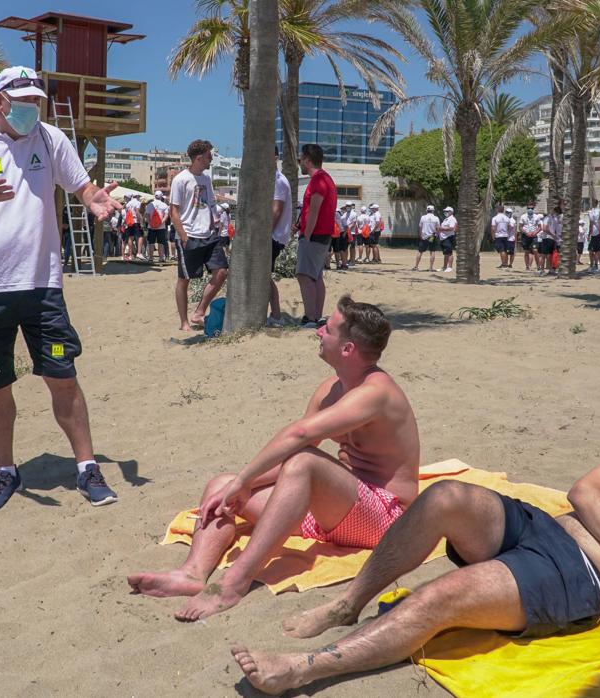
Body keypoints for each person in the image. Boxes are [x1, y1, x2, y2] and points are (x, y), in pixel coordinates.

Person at [233, 393, 600, 695]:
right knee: (444, 496)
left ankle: (303, 669)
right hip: (543, 527)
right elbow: (583, 494)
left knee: (441, 597)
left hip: (577, 582)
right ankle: (350, 603)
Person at [128, 296, 420, 621]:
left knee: (302, 462)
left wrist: (246, 480)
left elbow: (299, 438)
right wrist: (237, 486)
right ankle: (192, 574)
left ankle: (234, 583)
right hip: (334, 515)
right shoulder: (330, 389)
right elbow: (292, 454)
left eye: (328, 328)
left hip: (385, 520)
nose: (318, 332)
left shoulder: (375, 393)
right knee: (220, 485)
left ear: (348, 349)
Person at [0, 66, 123, 513]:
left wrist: (93, 198)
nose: (31, 108)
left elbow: (82, 185)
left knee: (63, 377)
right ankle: (5, 472)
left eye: (36, 100)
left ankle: (87, 467)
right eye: (23, 101)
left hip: (42, 285)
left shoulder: (51, 138)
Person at [169, 139, 226, 331]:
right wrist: (183, 236)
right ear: (199, 158)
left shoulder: (206, 179)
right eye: (209, 156)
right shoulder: (180, 179)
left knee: (222, 272)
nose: (211, 160)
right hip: (189, 235)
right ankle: (184, 322)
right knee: (184, 279)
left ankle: (200, 311)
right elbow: (174, 211)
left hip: (209, 234)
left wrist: (215, 224)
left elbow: (210, 204)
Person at [295, 144, 338, 329]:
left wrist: (307, 234)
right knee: (315, 276)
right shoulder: (325, 178)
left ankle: (311, 317)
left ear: (308, 159)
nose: (299, 164)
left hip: (315, 235)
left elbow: (314, 211)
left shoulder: (319, 180)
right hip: (322, 234)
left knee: (305, 276)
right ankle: (316, 316)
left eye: (300, 159)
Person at [268, 148, 292, 327]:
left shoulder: (278, 181)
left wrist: (265, 234)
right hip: (273, 235)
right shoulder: (271, 179)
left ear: (276, 156)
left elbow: (276, 210)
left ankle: (276, 315)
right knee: (264, 276)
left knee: (264, 277)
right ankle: (275, 315)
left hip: (273, 236)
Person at [413, 205, 440, 272]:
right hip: (432, 237)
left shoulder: (423, 217)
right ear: (433, 210)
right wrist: (437, 234)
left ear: (427, 210)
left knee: (420, 251)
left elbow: (420, 227)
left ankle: (416, 266)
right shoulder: (436, 218)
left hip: (424, 236)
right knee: (432, 251)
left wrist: (420, 235)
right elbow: (438, 228)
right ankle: (430, 268)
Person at [146, 190, 170, 263]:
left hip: (151, 227)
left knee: (151, 243)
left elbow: (147, 215)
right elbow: (166, 216)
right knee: (161, 243)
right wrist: (160, 223)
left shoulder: (150, 204)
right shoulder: (164, 205)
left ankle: (150, 258)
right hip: (161, 227)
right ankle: (161, 258)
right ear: (161, 196)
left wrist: (150, 223)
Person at [537, 205, 561, 276]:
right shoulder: (548, 218)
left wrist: (554, 235)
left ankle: (549, 269)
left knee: (548, 255)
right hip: (547, 238)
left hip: (551, 238)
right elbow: (544, 228)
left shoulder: (554, 218)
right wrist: (552, 234)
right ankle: (542, 270)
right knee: (544, 255)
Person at [518, 204, 541, 271]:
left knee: (535, 250)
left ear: (533, 208)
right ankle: (527, 266)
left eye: (532, 208)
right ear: (526, 208)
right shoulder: (523, 216)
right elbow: (520, 227)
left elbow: (540, 227)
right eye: (528, 208)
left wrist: (535, 232)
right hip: (525, 236)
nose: (530, 209)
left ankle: (538, 267)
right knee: (526, 251)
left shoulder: (537, 217)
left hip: (534, 236)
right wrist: (526, 232)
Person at [438, 205, 457, 273]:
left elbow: (452, 228)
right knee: (446, 253)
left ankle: (450, 267)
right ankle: (444, 267)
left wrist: (441, 228)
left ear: (451, 212)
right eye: (445, 211)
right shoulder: (446, 219)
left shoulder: (452, 219)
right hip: (443, 238)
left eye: (447, 211)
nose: (445, 212)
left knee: (449, 253)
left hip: (448, 238)